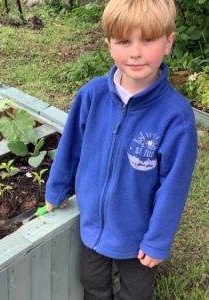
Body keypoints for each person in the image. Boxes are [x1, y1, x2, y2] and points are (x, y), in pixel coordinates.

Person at [45, 0, 198, 299]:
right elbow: (70, 146)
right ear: (109, 44)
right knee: (92, 283)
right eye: (124, 41)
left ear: (168, 42)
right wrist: (57, 188)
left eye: (149, 39)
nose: (136, 52)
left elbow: (174, 186)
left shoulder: (175, 117)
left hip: (137, 235)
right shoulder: (92, 96)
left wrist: (157, 241)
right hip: (92, 226)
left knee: (136, 292)